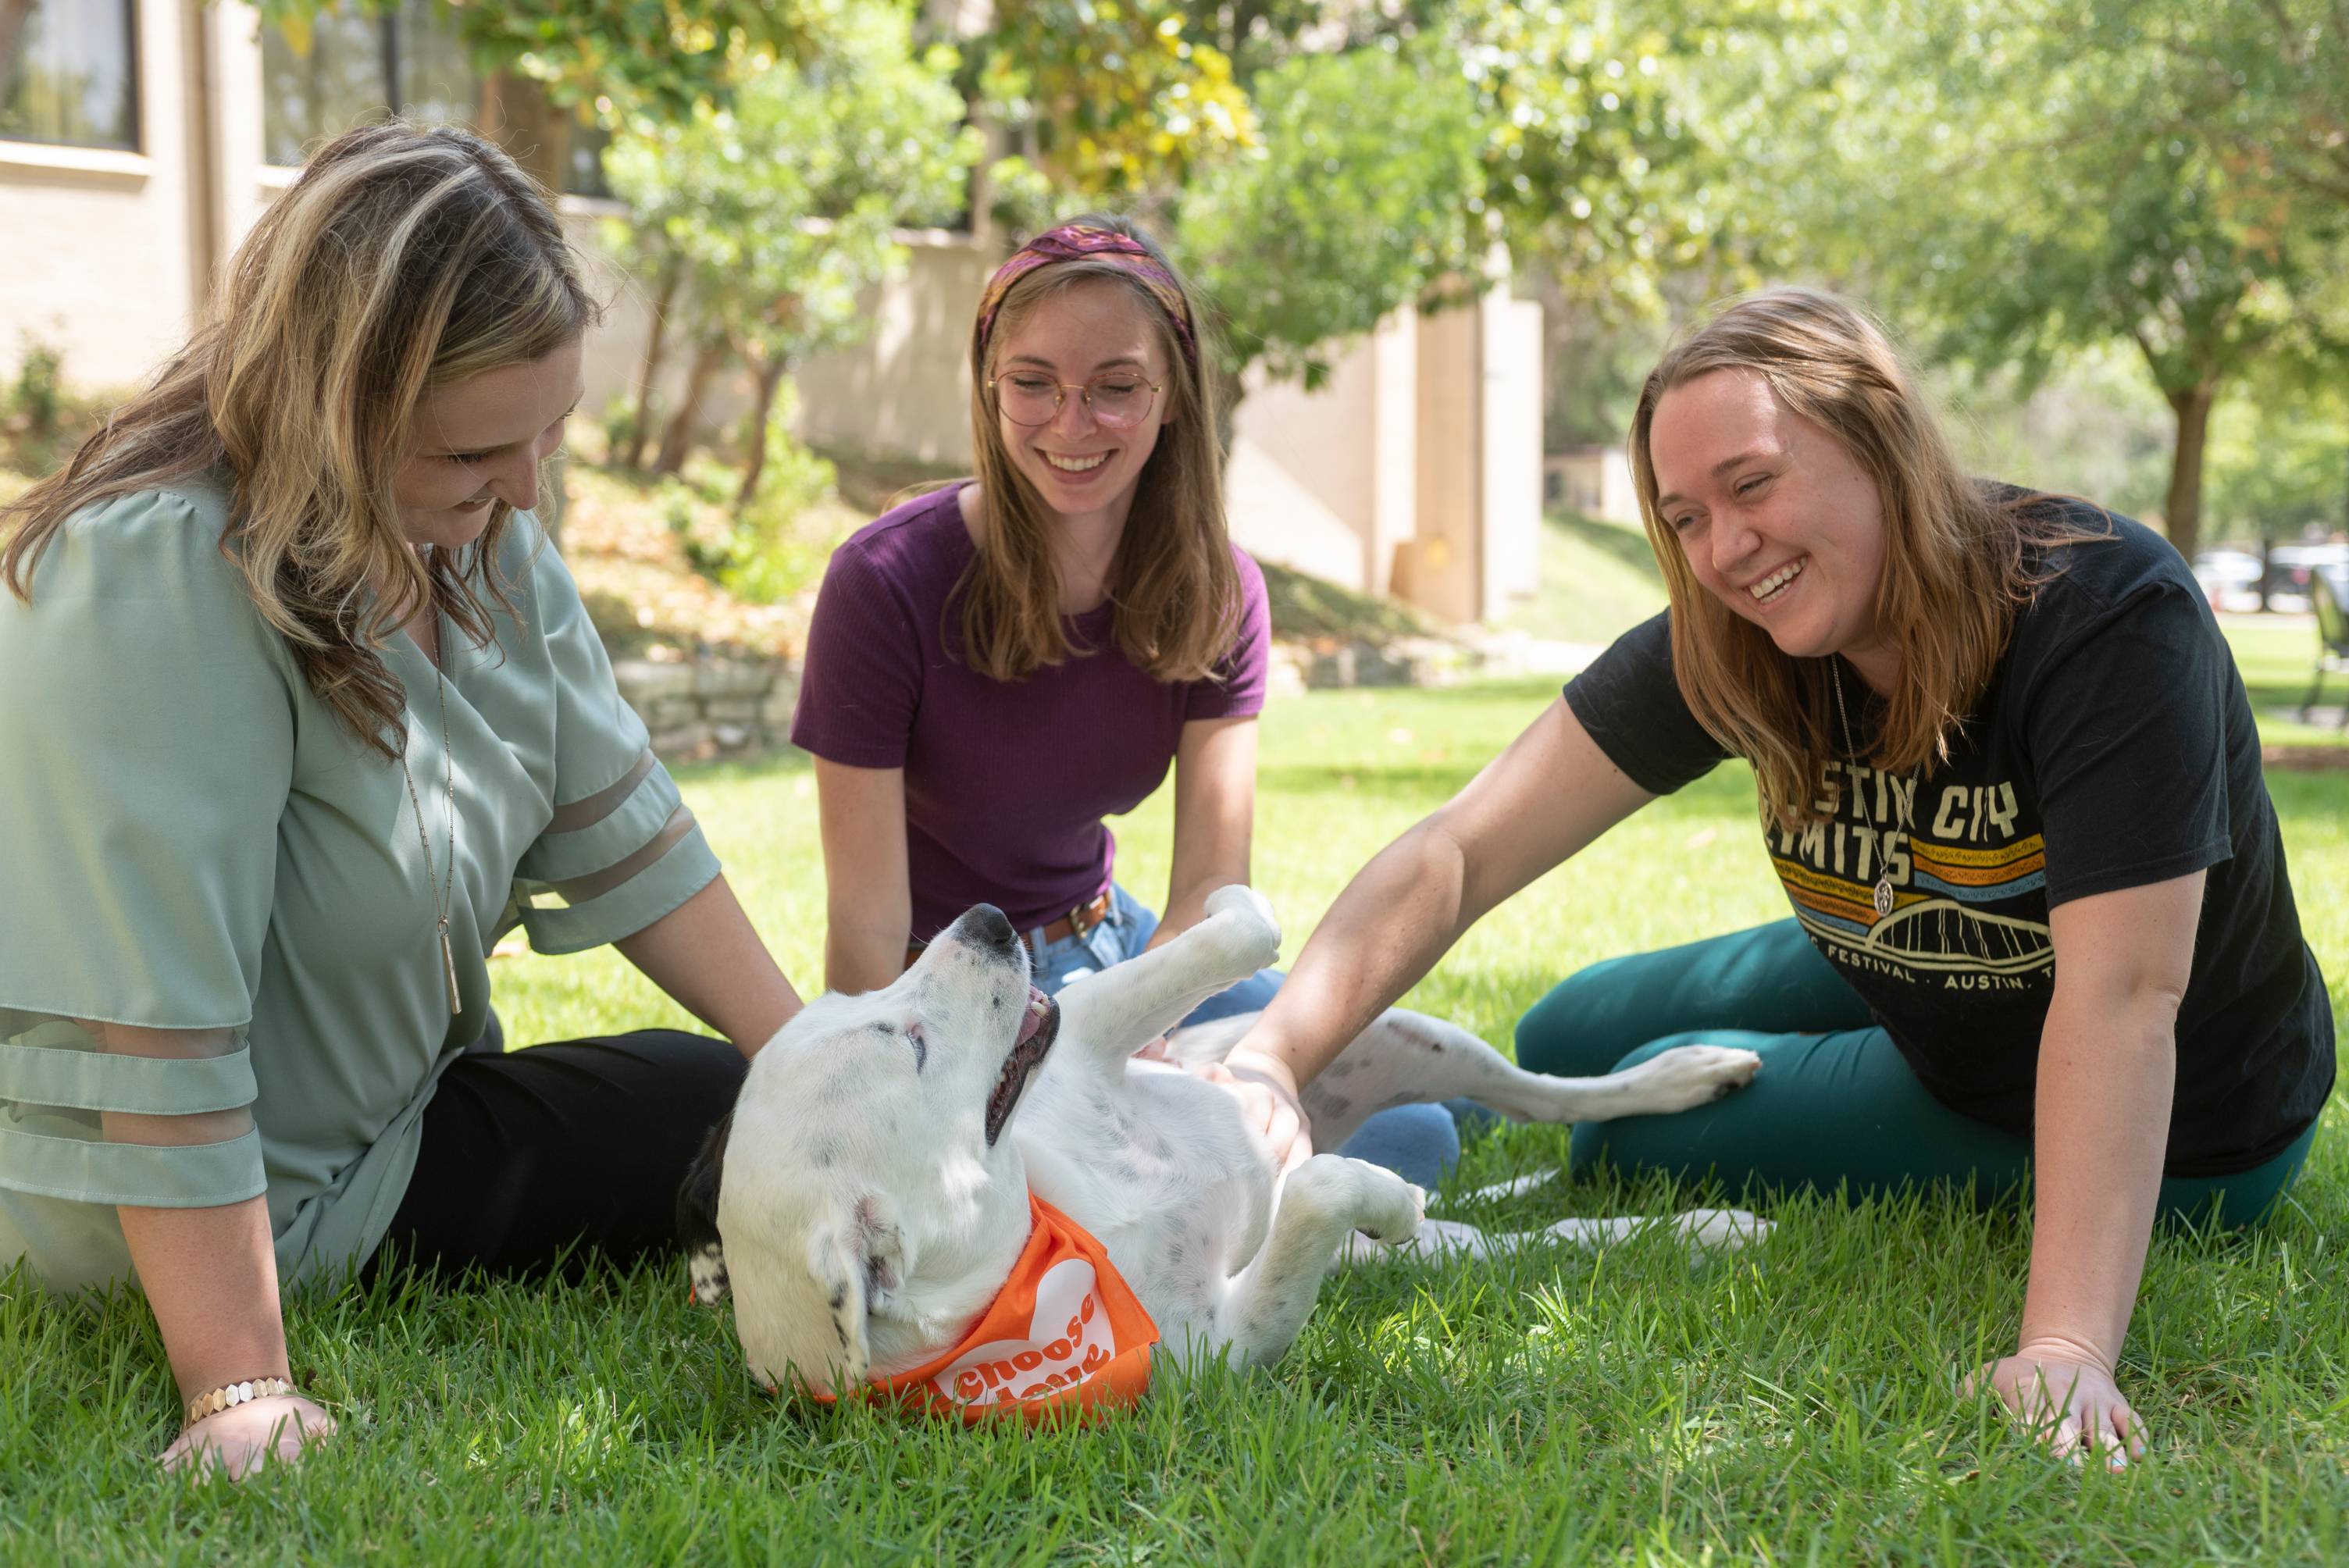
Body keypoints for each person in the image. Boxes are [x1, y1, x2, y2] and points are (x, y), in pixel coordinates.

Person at [1219, 287, 2334, 1465]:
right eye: (1686, 517)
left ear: (1880, 440)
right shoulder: (1739, 633)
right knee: (1564, 1026)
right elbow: (1463, 846)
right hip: (1926, 949)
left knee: (1631, 1125)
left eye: (1753, 485)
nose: (1726, 550)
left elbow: (2124, 999)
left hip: (2189, 1125)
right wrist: (1269, 1058)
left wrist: (2063, 1345)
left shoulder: (2107, 616)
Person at [0, 123, 804, 1480]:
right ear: (336, 401)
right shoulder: (157, 576)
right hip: (211, 1198)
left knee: (726, 1091)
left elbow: (621, 819)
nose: (525, 490)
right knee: (698, 1118)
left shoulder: (479, 537)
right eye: (473, 454)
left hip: (397, 1116)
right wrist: (237, 1382)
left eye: (547, 434)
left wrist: (826, 1074)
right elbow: (154, 1023)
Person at [790, 217, 1458, 1188]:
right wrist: (887, 1112)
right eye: (1033, 384)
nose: (1071, 424)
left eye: (1114, 387)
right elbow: (863, 930)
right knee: (1392, 1147)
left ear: (1171, 397)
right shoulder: (885, 579)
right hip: (955, 992)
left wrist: (1147, 1016)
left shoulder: (1219, 592)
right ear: (988, 385)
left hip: (1126, 951)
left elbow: (1210, 889)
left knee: (1425, 1110)